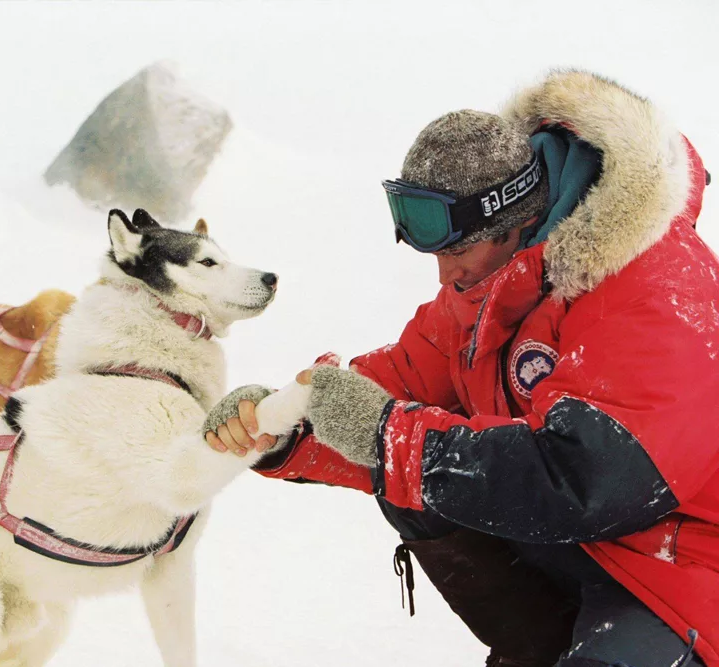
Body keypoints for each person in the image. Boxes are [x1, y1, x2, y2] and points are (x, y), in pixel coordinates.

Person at [203, 70, 715, 667]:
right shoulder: (491, 283)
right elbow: (402, 382)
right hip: (589, 544)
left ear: (517, 220)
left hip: (679, 566)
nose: (444, 276)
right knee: (408, 470)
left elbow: (591, 480)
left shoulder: (656, 288)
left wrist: (391, 435)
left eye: (455, 252)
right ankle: (537, 650)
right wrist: (284, 426)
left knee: (411, 453)